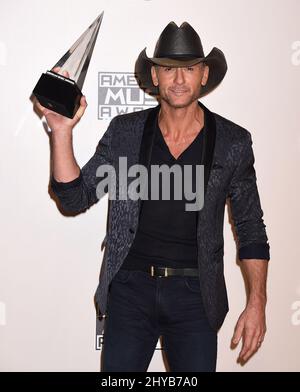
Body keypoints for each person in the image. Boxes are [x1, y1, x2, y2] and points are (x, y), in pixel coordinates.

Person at [34, 21, 270, 372]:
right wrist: (61, 131)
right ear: (155, 76)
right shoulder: (125, 132)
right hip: (130, 290)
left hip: (196, 296)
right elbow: (75, 198)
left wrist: (257, 304)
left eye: (189, 68)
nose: (178, 79)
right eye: (168, 69)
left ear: (204, 74)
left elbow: (251, 230)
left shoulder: (233, 142)